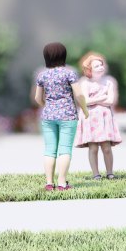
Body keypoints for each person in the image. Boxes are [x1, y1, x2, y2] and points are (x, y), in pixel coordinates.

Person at [32, 42, 89, 191]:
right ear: (64, 55)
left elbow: (38, 98)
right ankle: (62, 183)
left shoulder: (42, 75)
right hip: (68, 115)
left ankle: (49, 183)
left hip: (48, 116)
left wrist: (48, 107)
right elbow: (79, 94)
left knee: (50, 149)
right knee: (64, 149)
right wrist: (84, 109)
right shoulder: (69, 73)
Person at [75, 52, 122, 180]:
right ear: (89, 69)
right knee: (93, 148)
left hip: (105, 118)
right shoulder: (84, 82)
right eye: (97, 66)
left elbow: (111, 101)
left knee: (106, 147)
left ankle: (110, 172)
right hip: (90, 119)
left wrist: (94, 99)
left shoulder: (109, 82)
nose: (101, 67)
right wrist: (102, 97)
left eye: (101, 65)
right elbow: (85, 102)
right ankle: (96, 173)